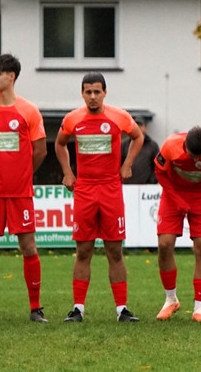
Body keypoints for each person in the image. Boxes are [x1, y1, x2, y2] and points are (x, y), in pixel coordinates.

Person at [55, 73, 144, 322]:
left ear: (105, 92)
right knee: (83, 250)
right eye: (88, 92)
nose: (93, 97)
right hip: (84, 190)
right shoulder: (72, 119)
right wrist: (67, 172)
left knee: (114, 250)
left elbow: (138, 137)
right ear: (82, 94)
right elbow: (60, 144)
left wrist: (127, 164)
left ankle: (122, 310)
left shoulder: (119, 116)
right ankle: (78, 309)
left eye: (97, 92)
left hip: (110, 189)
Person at [0, 53, 49, 323]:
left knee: (29, 247)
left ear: (11, 77)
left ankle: (35, 308)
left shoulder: (29, 111)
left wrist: (21, 174)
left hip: (20, 192)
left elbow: (40, 150)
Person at [153, 126, 201, 322]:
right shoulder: (171, 145)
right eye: (192, 155)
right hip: (173, 194)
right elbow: (159, 172)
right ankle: (171, 299)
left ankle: (199, 309)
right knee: (164, 244)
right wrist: (177, 200)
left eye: (199, 157)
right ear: (185, 145)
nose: (195, 160)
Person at [121, 118, 159, 184]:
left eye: (140, 125)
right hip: (126, 186)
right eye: (135, 125)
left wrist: (152, 181)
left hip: (147, 187)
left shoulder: (153, 145)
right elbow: (119, 163)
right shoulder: (124, 144)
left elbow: (157, 166)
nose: (138, 127)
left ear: (145, 128)